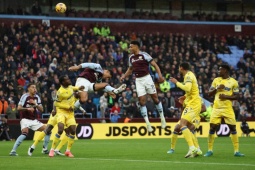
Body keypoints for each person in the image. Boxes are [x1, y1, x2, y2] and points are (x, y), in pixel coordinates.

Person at [120, 41, 166, 132]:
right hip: (138, 80)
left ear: (136, 47)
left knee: (155, 98)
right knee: (141, 101)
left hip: (147, 78)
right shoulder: (131, 58)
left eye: (131, 47)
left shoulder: (144, 55)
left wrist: (160, 75)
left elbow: (155, 65)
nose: (129, 48)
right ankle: (148, 124)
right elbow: (130, 69)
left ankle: (162, 118)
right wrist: (124, 76)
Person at [204, 64, 244, 157]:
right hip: (216, 108)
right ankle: (209, 150)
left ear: (225, 70)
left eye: (220, 69)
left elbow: (237, 96)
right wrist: (217, 88)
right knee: (212, 128)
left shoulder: (234, 82)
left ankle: (236, 151)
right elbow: (209, 94)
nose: (218, 71)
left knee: (233, 128)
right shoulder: (216, 80)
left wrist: (226, 96)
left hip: (227, 109)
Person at [170, 62, 202, 158]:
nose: (178, 70)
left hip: (193, 104)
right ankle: (197, 149)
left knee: (182, 124)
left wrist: (176, 83)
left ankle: (192, 148)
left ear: (181, 68)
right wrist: (184, 97)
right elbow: (191, 91)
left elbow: (187, 88)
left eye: (179, 68)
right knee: (186, 126)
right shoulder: (191, 75)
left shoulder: (188, 76)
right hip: (193, 103)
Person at [48, 75, 84, 157]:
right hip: (62, 112)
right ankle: (52, 150)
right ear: (63, 82)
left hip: (70, 113)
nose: (69, 80)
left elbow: (74, 88)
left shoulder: (70, 87)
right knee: (60, 129)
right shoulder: (60, 92)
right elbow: (56, 103)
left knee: (73, 131)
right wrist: (68, 107)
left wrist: (79, 88)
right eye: (66, 79)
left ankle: (68, 151)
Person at [9, 83, 47, 156]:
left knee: (48, 130)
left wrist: (35, 104)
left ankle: (45, 149)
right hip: (25, 119)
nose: (35, 89)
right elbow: (19, 108)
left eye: (35, 88)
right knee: (24, 133)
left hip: (33, 120)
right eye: (33, 87)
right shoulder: (25, 96)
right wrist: (27, 108)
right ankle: (13, 151)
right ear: (28, 88)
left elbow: (42, 109)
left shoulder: (37, 97)